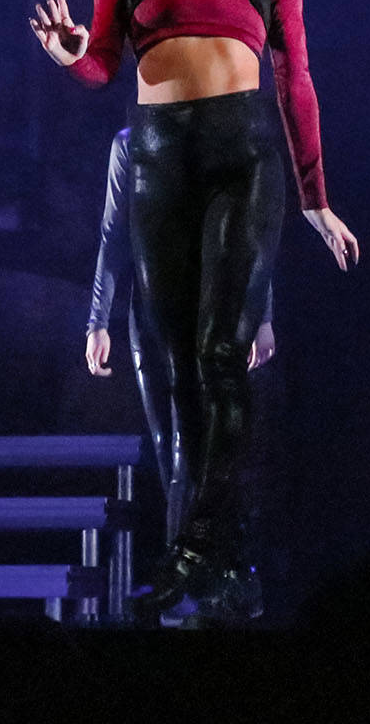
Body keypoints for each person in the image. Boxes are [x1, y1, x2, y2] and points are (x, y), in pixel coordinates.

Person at [31, 0, 358, 624]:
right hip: (158, 156)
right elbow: (105, 62)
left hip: (241, 155)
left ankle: (202, 547)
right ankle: (207, 556)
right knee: (173, 363)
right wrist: (73, 56)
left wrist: (316, 197)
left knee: (221, 353)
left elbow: (296, 80)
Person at [84, 126, 276, 546]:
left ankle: (187, 568)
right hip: (149, 313)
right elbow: (112, 236)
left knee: (185, 445)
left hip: (208, 310)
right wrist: (97, 322)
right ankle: (201, 558)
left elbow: (251, 233)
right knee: (165, 445)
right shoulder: (128, 145)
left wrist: (262, 316)